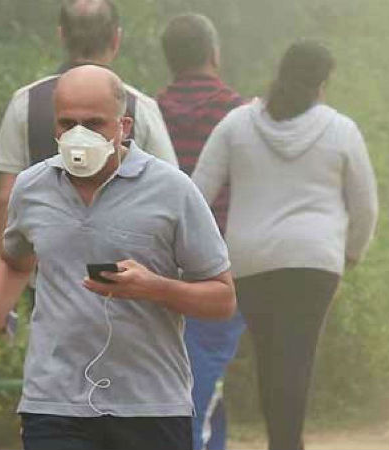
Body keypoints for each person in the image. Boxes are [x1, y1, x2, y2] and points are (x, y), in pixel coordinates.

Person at [0, 65, 236, 450]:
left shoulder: (173, 190)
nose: (79, 136)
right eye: (68, 123)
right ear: (55, 127)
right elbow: (15, 263)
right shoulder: (32, 187)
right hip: (54, 402)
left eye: (94, 123)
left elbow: (223, 299)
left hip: (149, 405)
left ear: (123, 126)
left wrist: (154, 287)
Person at [191, 40, 379, 450]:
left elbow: (195, 195)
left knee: (270, 357)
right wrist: (351, 253)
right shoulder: (340, 130)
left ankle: (284, 441)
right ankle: (287, 443)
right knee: (297, 356)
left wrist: (199, 256)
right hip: (315, 263)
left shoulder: (236, 125)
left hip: (249, 262)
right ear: (323, 82)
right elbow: (365, 206)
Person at [0, 0, 177, 263]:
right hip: (124, 273)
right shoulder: (140, 107)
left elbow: (5, 198)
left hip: (44, 274)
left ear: (62, 36)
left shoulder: (25, 102)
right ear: (116, 38)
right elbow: (168, 195)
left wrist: (5, 273)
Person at [156, 13, 246, 450]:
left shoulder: (146, 113)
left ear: (170, 60)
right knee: (205, 366)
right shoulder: (240, 113)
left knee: (190, 369)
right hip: (222, 262)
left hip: (161, 263)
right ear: (214, 53)